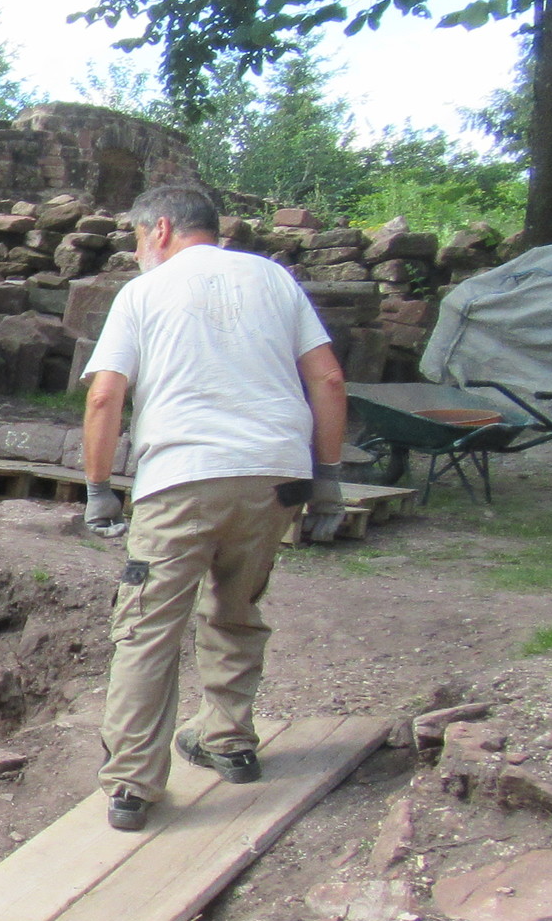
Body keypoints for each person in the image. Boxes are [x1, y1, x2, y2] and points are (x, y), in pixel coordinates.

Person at [78, 183, 349, 832]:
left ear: (161, 229)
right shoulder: (276, 280)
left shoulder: (143, 292)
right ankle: (228, 741)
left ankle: (133, 785)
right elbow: (329, 378)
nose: (137, 252)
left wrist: (98, 488)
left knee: (147, 627)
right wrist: (330, 478)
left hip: (182, 477)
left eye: (137, 238)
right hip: (275, 476)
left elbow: (105, 396)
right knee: (236, 606)